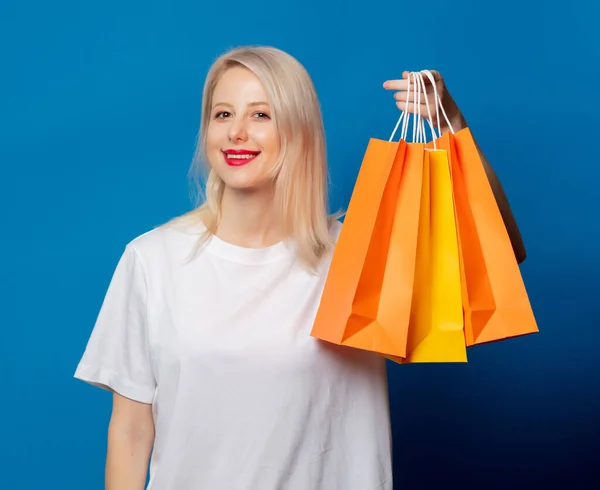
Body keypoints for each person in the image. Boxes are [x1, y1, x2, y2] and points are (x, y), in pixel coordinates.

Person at [73, 46, 526, 490]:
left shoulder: (362, 254)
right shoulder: (153, 260)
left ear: (299, 132)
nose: (236, 133)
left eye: (261, 115)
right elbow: (131, 431)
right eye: (223, 114)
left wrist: (452, 125)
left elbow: (499, 251)